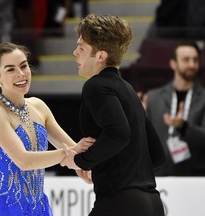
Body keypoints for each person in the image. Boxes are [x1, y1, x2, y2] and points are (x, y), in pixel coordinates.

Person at [60, 14, 166, 216]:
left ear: (100, 56)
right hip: (151, 204)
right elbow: (157, 155)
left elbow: (118, 134)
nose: (75, 53)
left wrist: (81, 161)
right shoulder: (128, 91)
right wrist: (110, 166)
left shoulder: (96, 86)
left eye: (81, 48)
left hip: (120, 204)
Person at [0, 42, 94, 215]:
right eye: (10, 69)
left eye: (24, 66)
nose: (21, 74)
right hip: (6, 210)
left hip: (39, 208)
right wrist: (67, 154)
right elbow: (24, 161)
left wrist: (83, 166)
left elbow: (73, 150)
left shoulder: (39, 107)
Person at [141, 41, 205, 176]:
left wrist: (183, 126)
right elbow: (143, 141)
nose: (192, 65)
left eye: (195, 60)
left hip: (195, 178)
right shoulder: (153, 97)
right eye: (186, 60)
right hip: (159, 178)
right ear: (173, 64)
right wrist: (137, 117)